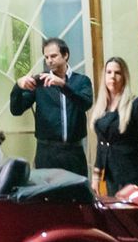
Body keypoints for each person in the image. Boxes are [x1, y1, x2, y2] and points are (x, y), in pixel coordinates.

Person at [9, 36, 93, 176]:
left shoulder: (81, 81)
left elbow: (85, 103)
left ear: (65, 55)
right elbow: (16, 110)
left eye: (53, 56)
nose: (49, 60)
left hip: (74, 151)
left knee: (77, 195)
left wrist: (62, 85)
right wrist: (18, 86)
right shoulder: (40, 81)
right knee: (47, 195)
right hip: (47, 152)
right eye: (46, 57)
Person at [92, 55, 138, 196]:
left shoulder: (135, 104)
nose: (112, 77)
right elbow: (102, 143)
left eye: (117, 73)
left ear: (124, 77)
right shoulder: (102, 106)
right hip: (112, 174)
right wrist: (96, 175)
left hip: (133, 171)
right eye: (108, 72)